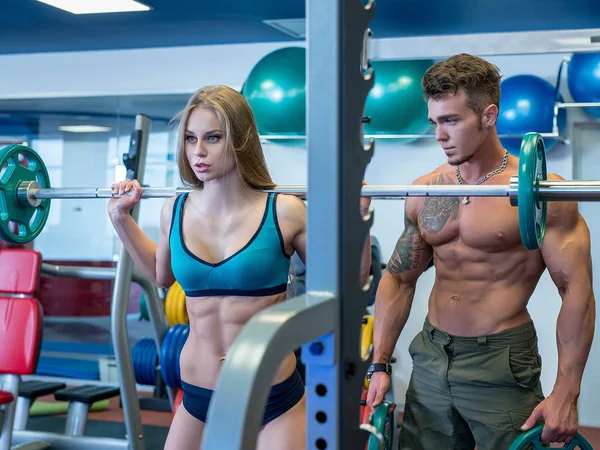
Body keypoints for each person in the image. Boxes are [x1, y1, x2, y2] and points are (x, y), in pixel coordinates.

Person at [108, 85, 372, 450]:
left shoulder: (285, 210)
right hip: (197, 397)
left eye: (212, 138)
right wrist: (120, 217)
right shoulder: (175, 209)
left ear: (241, 140)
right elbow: (160, 275)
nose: (198, 152)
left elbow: (348, 282)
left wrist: (357, 218)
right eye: (190, 138)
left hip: (271, 398)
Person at [366, 53, 596, 450]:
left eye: (451, 120)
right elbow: (399, 279)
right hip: (431, 357)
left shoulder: (543, 193)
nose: (440, 135)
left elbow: (576, 291)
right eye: (435, 121)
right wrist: (380, 364)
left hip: (501, 362)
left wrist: (567, 391)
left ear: (489, 116)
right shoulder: (425, 191)